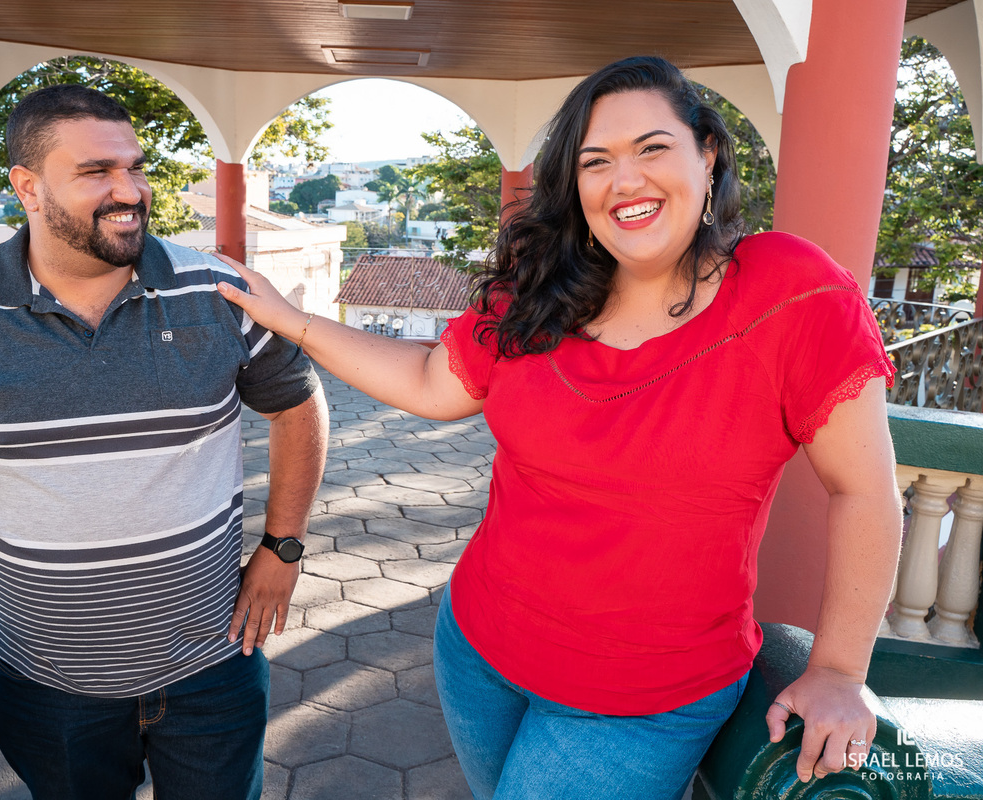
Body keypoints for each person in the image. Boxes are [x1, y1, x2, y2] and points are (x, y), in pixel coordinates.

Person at [215, 56, 902, 799]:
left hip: (642, 700)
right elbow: (429, 382)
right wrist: (292, 320)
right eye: (595, 162)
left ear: (707, 154)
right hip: (479, 650)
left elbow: (865, 490)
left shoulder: (789, 290)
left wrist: (840, 669)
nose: (625, 181)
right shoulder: (544, 287)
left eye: (652, 148)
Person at [0, 85, 328, 800]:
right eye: (97, 171)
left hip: (215, 665)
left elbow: (298, 403)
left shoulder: (219, 291)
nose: (129, 190)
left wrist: (283, 545)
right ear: (28, 188)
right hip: (48, 687)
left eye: (134, 167)